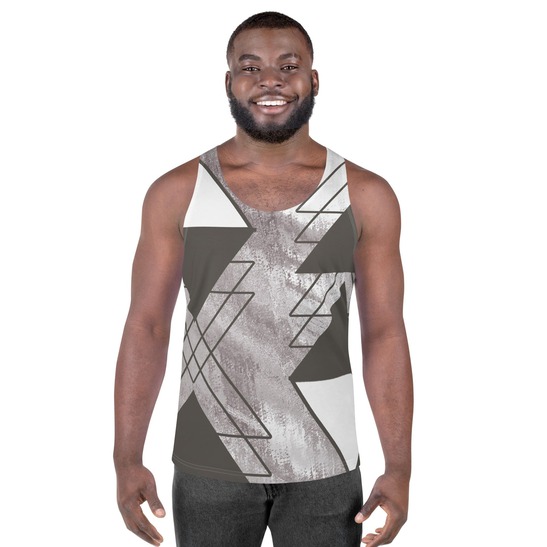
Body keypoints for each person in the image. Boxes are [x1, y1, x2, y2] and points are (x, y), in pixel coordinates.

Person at [114, 11, 413, 547]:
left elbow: (385, 334)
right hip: (208, 465)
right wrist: (126, 457)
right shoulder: (177, 193)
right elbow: (147, 326)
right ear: (229, 82)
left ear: (313, 79)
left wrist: (399, 467)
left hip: (326, 465)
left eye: (288, 66)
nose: (270, 80)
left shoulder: (365, 195)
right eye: (250, 67)